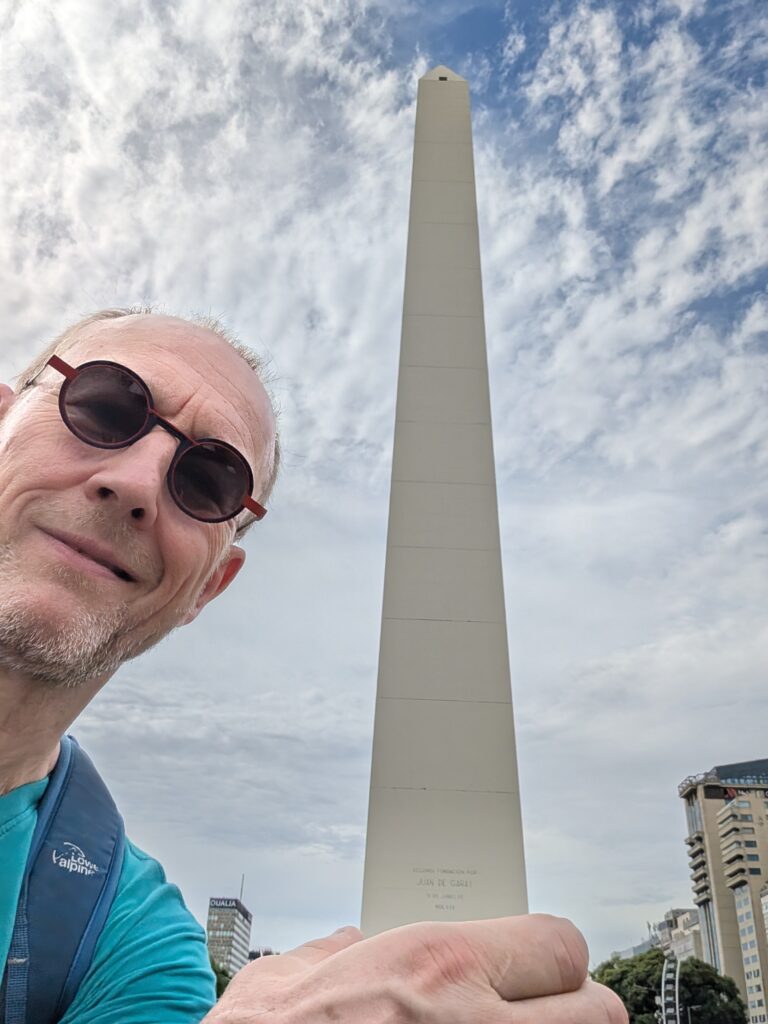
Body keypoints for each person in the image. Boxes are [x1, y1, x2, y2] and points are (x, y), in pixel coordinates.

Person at [0, 308, 627, 1024]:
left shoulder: (137, 949)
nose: (139, 485)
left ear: (209, 588)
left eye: (208, 481)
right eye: (104, 409)